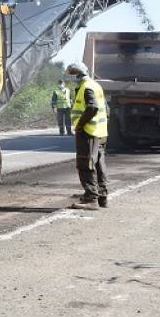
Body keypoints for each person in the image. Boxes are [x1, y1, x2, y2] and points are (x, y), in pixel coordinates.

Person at [66, 62, 109, 210]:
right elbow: (106, 109)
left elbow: (93, 107)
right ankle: (102, 196)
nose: (72, 78)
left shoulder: (87, 87)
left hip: (89, 132)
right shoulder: (95, 85)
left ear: (78, 74)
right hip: (100, 131)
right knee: (98, 164)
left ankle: (91, 198)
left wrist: (80, 125)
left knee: (86, 163)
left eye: (73, 75)